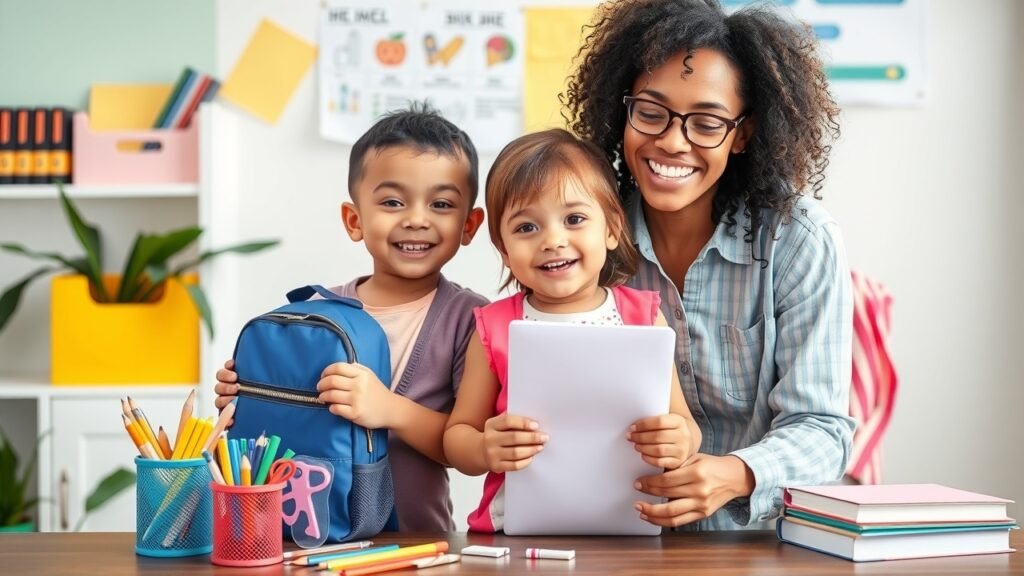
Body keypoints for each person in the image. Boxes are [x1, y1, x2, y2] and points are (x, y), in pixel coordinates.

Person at [561, 0, 856, 530]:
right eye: (650, 112)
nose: (672, 141)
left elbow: (822, 429)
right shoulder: (587, 238)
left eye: (707, 123)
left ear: (743, 133)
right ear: (620, 111)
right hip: (618, 538)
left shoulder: (797, 240)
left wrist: (733, 474)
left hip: (763, 545)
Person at [213, 103, 487, 531]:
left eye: (441, 204)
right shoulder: (317, 314)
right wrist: (249, 398)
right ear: (354, 219)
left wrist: (389, 409)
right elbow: (286, 429)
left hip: (419, 541)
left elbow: (468, 448)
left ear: (469, 226)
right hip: (313, 533)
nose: (417, 219)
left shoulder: (471, 319)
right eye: (393, 202)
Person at [443, 128, 703, 532]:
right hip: (512, 530)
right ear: (504, 251)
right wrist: (483, 447)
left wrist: (681, 441)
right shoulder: (494, 326)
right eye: (527, 227)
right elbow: (456, 436)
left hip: (632, 528)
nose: (553, 240)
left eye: (575, 219)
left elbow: (686, 425)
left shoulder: (645, 316)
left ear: (612, 229)